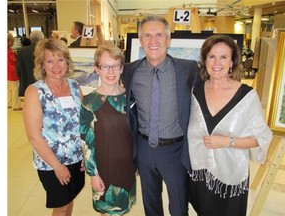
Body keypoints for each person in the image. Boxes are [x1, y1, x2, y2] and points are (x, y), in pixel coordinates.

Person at [187, 34, 273, 215]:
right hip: (200, 172)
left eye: (223, 57)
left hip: (230, 177)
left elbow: (262, 137)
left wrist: (228, 142)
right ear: (204, 60)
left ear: (232, 62)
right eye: (212, 56)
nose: (217, 63)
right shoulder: (195, 91)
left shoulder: (247, 96)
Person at [121, 16, 198, 216]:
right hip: (145, 149)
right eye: (147, 35)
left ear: (168, 39)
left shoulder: (187, 69)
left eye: (158, 35)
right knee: (151, 205)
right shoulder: (130, 71)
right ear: (140, 40)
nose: (153, 41)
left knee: (179, 207)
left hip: (176, 150)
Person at [23, 38, 85, 215]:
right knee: (61, 205)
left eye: (60, 59)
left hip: (76, 158)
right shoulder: (35, 91)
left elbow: (83, 124)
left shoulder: (74, 86)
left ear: (67, 61)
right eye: (49, 61)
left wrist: (85, 153)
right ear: (42, 65)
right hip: (51, 163)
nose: (56, 66)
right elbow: (34, 136)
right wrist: (58, 167)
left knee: (69, 199)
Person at [80, 45, 136, 215]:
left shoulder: (131, 97)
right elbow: (86, 142)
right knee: (107, 210)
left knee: (123, 208)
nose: (111, 71)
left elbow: (137, 132)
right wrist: (93, 174)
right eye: (105, 66)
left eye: (116, 65)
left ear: (121, 68)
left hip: (127, 165)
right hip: (103, 167)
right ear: (97, 69)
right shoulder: (89, 102)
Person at [16, 30, 44, 96]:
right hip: (42, 86)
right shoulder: (44, 50)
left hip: (26, 86)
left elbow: (18, 70)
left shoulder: (21, 51)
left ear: (31, 39)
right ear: (42, 39)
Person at [7, 33, 22, 111]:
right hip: (11, 72)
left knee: (9, 89)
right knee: (15, 89)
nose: (12, 43)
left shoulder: (9, 50)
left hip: (9, 72)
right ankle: (16, 105)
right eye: (11, 41)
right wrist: (15, 71)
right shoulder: (7, 51)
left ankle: (9, 103)